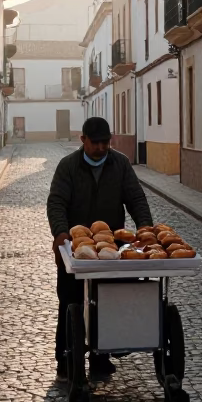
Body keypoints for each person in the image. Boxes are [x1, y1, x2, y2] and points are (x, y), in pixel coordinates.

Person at [47, 116, 153, 379]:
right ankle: (66, 356)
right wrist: (61, 234)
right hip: (76, 248)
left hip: (110, 248)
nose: (101, 148)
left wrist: (145, 228)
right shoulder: (68, 166)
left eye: (106, 142)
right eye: (96, 143)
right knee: (70, 300)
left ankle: (100, 357)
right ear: (83, 140)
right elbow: (56, 202)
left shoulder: (120, 164)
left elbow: (135, 197)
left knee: (106, 299)